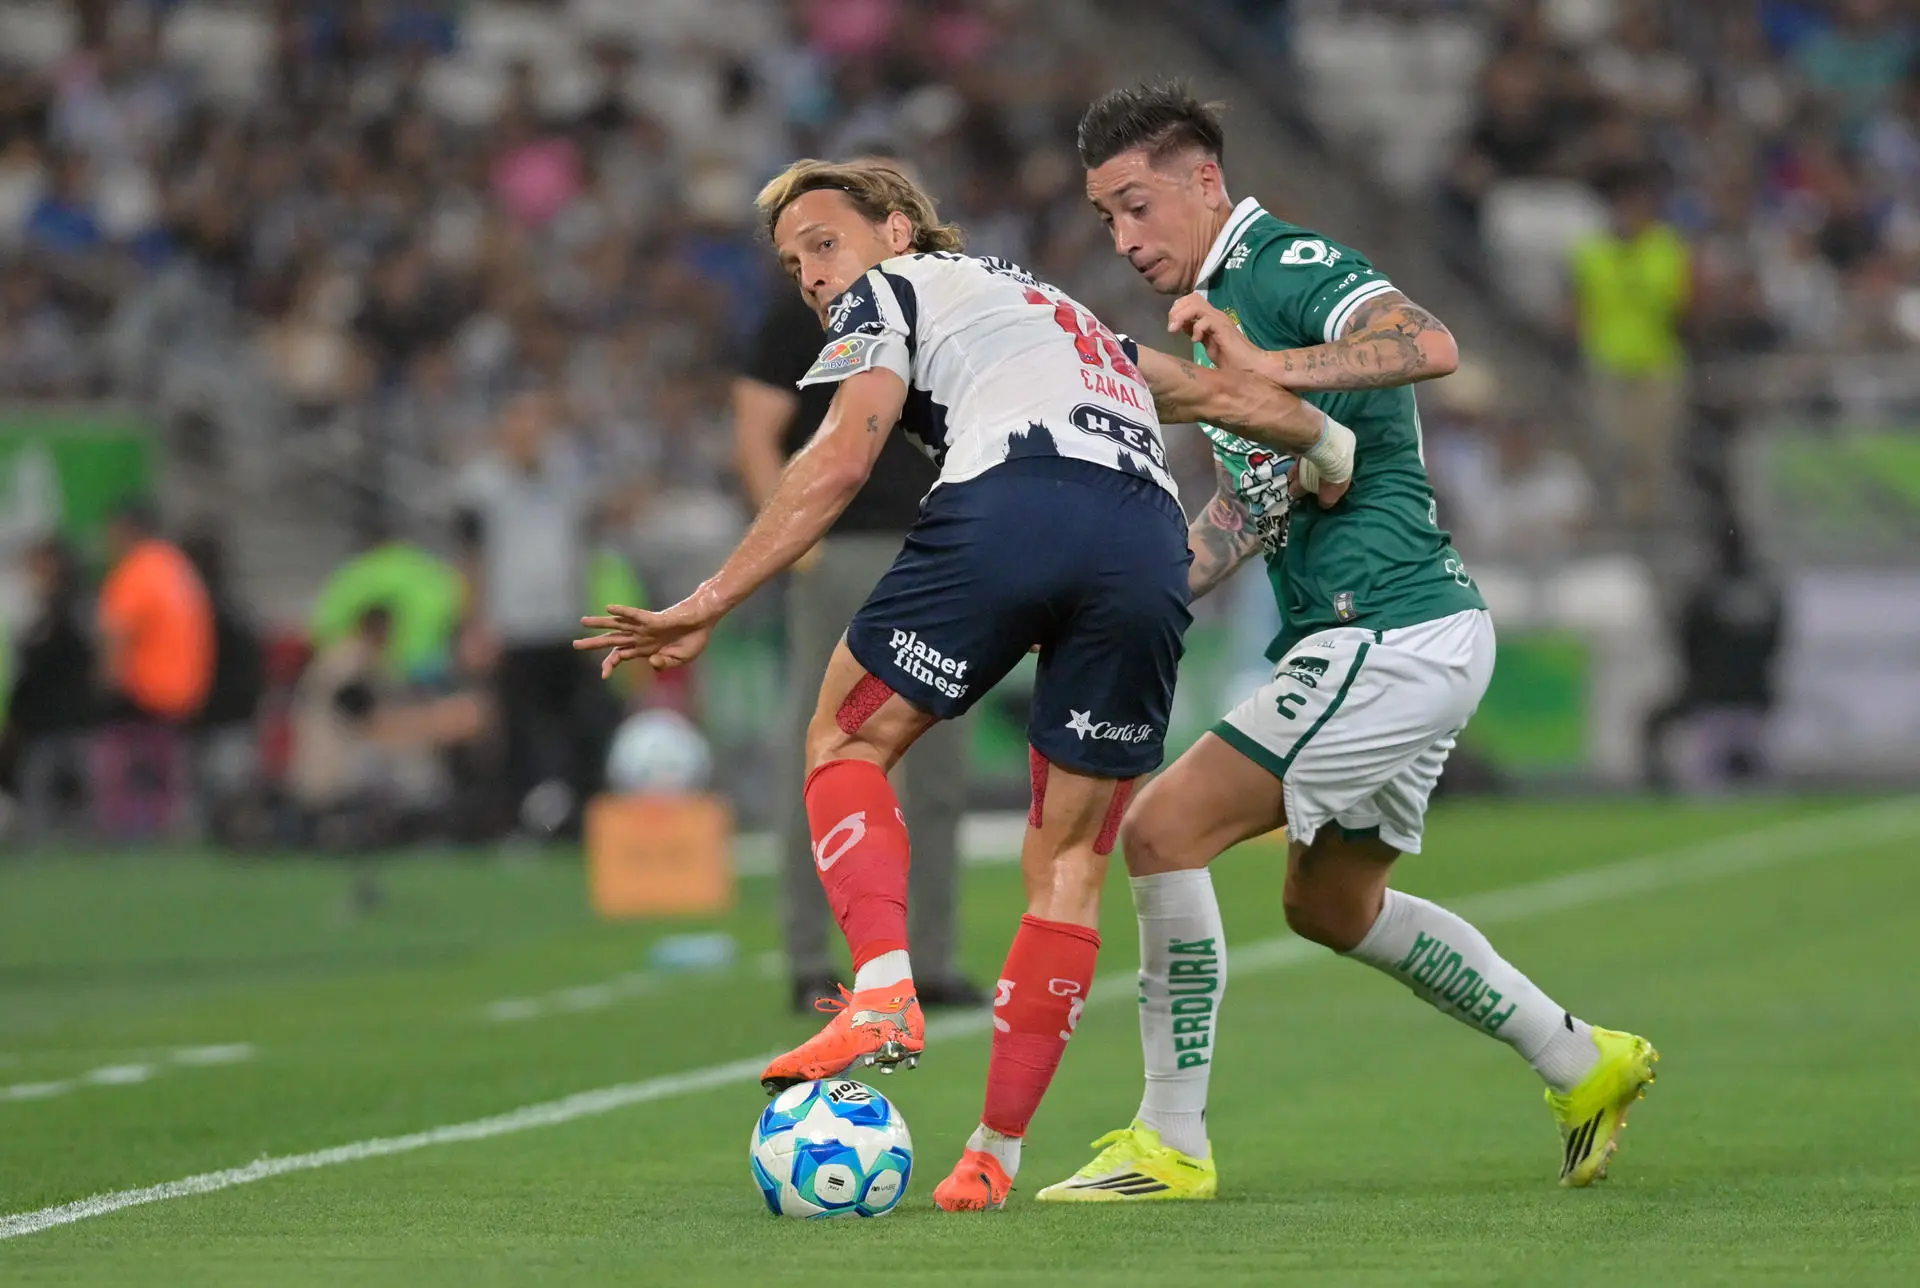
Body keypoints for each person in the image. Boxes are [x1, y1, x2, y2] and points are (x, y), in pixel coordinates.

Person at [578, 157, 1345, 1211]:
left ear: (897, 231)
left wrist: (711, 597)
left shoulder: (888, 292)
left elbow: (843, 456)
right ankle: (995, 1152)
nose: (811, 274)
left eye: (824, 242)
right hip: (1142, 546)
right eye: (795, 258)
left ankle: (884, 986)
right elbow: (1211, 393)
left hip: (1013, 497)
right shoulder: (1058, 310)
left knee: (845, 739)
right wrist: (1328, 441)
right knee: (1071, 856)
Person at [1035, 83, 1657, 1203]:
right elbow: (1252, 510)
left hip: (1387, 631)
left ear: (1205, 182)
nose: (1124, 240)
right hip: (1402, 636)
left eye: (1136, 206)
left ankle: (1167, 1143)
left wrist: (1261, 371)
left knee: (1163, 829)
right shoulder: (1221, 303)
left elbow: (1429, 339)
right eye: (1105, 219)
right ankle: (1582, 1059)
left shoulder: (1283, 265)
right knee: (1328, 907)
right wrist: (1124, 597)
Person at [732, 272, 982, 1015]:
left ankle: (930, 962)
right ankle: (813, 962)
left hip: (939, 549)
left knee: (939, 765)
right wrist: (793, 542)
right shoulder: (800, 315)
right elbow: (754, 427)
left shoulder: (945, 307)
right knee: (823, 754)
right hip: (842, 551)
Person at [456, 388, 622, 837]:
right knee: (516, 734)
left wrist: (590, 614)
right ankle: (515, 823)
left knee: (583, 724)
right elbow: (472, 560)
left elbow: (579, 553)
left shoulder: (566, 481)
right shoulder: (483, 487)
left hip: (561, 623)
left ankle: (582, 817)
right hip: (511, 628)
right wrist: (474, 625)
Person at [1568, 166, 1691, 530]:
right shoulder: (1591, 251)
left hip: (1655, 360)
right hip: (1607, 360)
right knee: (1612, 445)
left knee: (1651, 450)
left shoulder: (1667, 248)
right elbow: (1579, 301)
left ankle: (1645, 522)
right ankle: (1616, 519)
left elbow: (1675, 301)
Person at [95, 500, 214, 838]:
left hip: (142, 691)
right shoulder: (177, 567)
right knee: (166, 771)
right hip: (183, 689)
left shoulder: (135, 571)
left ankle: (128, 829)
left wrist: (105, 684)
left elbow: (117, 633)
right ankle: (165, 825)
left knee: (123, 767)